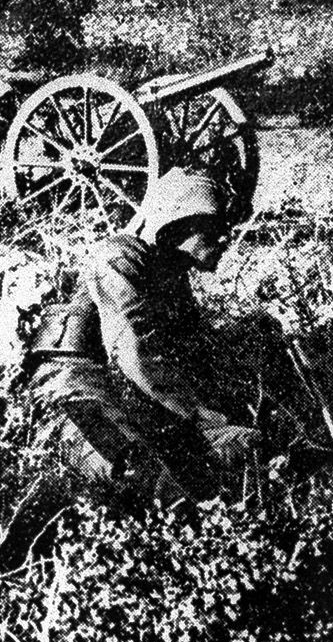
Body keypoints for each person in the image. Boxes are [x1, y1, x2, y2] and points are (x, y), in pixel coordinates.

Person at [23, 169, 260, 514]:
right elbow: (135, 353)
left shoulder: (168, 269)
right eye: (215, 228)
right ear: (177, 224)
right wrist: (202, 418)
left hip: (126, 388)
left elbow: (191, 346)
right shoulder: (118, 259)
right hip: (70, 385)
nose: (225, 239)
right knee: (137, 476)